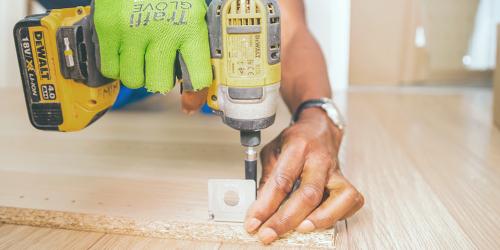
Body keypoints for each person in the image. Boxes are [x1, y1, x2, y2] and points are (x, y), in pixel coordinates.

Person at [38, 0, 364, 244]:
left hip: (203, 57)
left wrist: (317, 114)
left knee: (212, 81)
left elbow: (287, 33)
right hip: (105, 51)